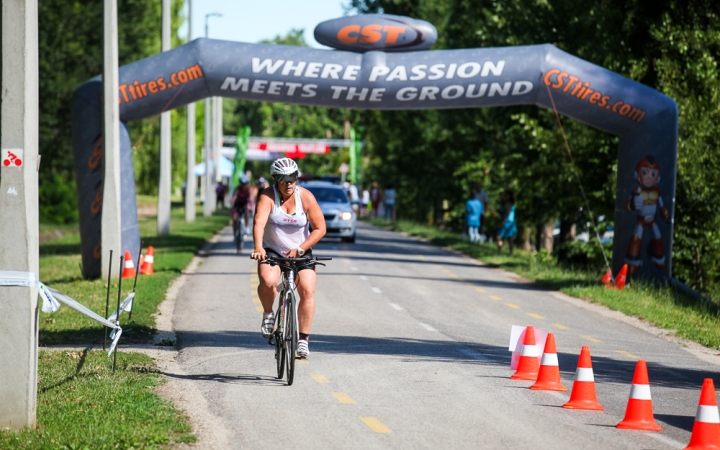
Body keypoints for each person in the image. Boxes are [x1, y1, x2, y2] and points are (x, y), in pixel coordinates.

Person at [251, 158, 326, 359]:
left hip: (300, 252)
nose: (288, 183)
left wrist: (301, 248)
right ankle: (268, 313)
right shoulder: (268, 196)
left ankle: (303, 340)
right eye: (283, 179)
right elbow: (259, 222)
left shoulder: (306, 197)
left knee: (308, 290)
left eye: (292, 178)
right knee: (268, 281)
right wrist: (259, 247)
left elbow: (320, 228)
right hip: (273, 251)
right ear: (275, 179)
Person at [497, 191, 517, 255]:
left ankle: (499, 252)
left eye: (505, 195)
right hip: (510, 222)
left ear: (508, 196)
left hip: (508, 222)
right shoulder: (510, 203)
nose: (504, 196)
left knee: (499, 236)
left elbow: (507, 214)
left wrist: (503, 221)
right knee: (509, 238)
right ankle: (510, 253)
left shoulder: (508, 203)